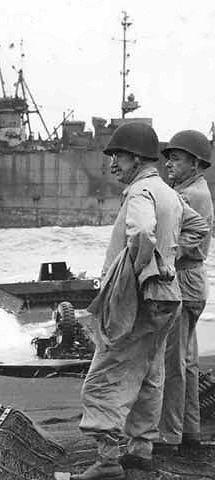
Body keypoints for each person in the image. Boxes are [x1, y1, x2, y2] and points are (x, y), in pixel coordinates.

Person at [72, 122, 209, 480]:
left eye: (117, 156)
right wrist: (169, 262)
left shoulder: (140, 193)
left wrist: (144, 271)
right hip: (170, 297)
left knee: (104, 375)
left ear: (135, 158)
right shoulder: (168, 192)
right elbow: (199, 229)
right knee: (151, 373)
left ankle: (106, 463)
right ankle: (140, 453)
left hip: (139, 298)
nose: (113, 163)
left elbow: (142, 233)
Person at [158, 130, 214, 451]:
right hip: (193, 281)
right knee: (188, 361)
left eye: (176, 159)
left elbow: (172, 240)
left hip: (183, 281)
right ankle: (189, 430)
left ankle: (169, 435)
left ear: (195, 162)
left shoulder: (189, 196)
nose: (169, 164)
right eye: (168, 158)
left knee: (173, 362)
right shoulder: (194, 189)